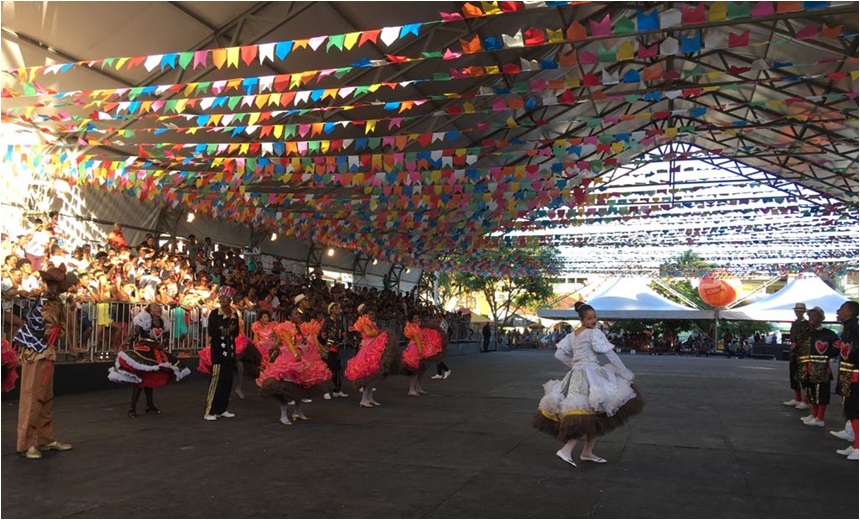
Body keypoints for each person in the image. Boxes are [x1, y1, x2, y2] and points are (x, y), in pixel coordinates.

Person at [532, 301, 644, 467]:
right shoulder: (594, 333)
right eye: (590, 319)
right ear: (582, 320)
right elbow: (610, 354)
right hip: (591, 375)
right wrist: (624, 372)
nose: (594, 321)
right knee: (585, 414)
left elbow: (558, 354)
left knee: (596, 415)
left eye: (595, 317)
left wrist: (575, 365)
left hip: (577, 375)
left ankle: (587, 452)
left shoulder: (572, 335)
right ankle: (566, 450)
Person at [14, 265, 77, 459]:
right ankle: (27, 443)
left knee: (45, 397)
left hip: (44, 352)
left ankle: (44, 438)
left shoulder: (52, 300)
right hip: (37, 351)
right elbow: (51, 330)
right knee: (33, 397)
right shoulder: (48, 302)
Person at [107, 303, 190, 417]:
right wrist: (125, 345)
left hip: (155, 351)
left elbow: (165, 338)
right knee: (140, 379)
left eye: (160, 307)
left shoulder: (163, 322)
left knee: (150, 378)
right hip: (144, 350)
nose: (159, 309)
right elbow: (133, 335)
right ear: (150, 311)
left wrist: (162, 345)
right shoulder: (143, 320)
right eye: (155, 307)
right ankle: (132, 407)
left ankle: (149, 405)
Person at [345, 303, 399, 408]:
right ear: (364, 314)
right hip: (368, 349)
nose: (372, 315)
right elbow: (369, 333)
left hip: (373, 347)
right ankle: (364, 399)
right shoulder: (364, 322)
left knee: (373, 375)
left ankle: (369, 397)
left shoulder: (370, 322)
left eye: (373, 313)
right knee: (368, 375)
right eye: (370, 313)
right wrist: (377, 332)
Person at [798, 306, 839, 427]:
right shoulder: (806, 332)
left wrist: (826, 356)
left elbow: (837, 347)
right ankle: (814, 414)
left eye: (815, 316)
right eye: (810, 315)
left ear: (821, 318)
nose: (811, 318)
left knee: (821, 393)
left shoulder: (828, 333)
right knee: (810, 392)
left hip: (821, 368)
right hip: (807, 366)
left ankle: (820, 417)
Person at [203, 286, 239, 421]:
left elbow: (236, 333)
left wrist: (231, 331)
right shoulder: (214, 313)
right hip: (218, 352)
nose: (222, 299)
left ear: (230, 299)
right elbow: (212, 332)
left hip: (230, 352)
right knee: (216, 382)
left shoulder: (234, 313)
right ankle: (209, 411)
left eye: (225, 298)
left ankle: (222, 409)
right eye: (221, 297)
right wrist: (226, 330)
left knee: (227, 381)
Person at [833, 301, 858, 459]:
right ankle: (856, 443)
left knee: (854, 407)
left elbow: (855, 349)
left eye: (842, 308)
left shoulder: (854, 328)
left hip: (854, 371)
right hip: (849, 370)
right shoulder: (849, 328)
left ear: (850, 312)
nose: (838, 311)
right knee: (849, 406)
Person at [784, 303, 810, 409]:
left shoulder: (807, 324)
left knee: (804, 377)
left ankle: (806, 400)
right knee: (793, 375)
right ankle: (797, 398)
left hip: (803, 353)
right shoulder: (794, 323)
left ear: (804, 311)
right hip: (794, 352)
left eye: (800, 310)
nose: (798, 312)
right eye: (796, 310)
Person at [320, 302, 348, 399]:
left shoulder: (339, 322)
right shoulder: (327, 321)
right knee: (329, 369)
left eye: (338, 308)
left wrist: (342, 338)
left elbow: (343, 332)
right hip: (328, 348)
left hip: (336, 348)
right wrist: (326, 342)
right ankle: (326, 391)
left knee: (338, 369)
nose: (337, 309)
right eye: (335, 308)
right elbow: (322, 333)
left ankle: (337, 390)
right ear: (331, 310)